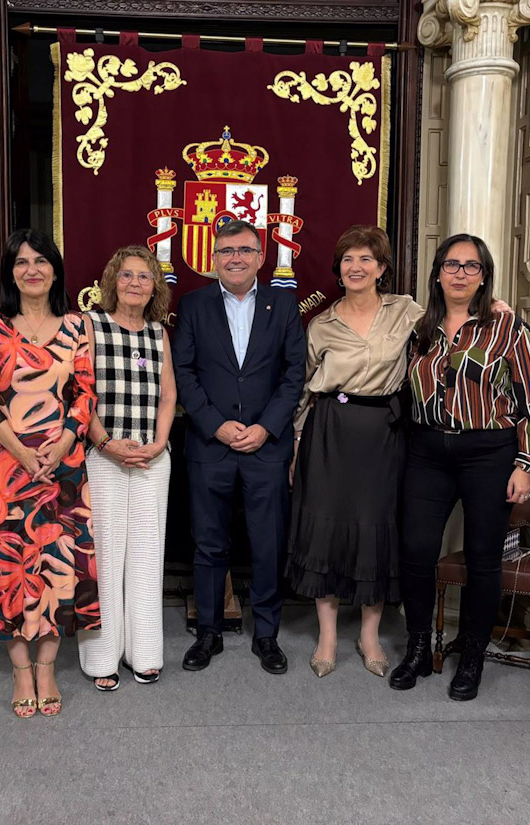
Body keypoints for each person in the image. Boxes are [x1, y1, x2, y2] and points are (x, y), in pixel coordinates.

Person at [390, 233, 530, 701]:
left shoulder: (509, 329)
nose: (459, 273)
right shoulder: (419, 329)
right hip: (427, 451)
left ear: (483, 277)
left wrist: (526, 463)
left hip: (489, 453)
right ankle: (418, 647)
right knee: (416, 552)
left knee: (483, 557)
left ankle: (473, 655)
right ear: (437, 273)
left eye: (470, 266)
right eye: (451, 265)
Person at [0, 228, 100, 717]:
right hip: (6, 470)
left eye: (41, 260)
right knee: (9, 572)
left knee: (57, 568)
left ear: (54, 269)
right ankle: (20, 670)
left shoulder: (77, 326)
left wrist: (64, 441)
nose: (31, 269)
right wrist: (23, 455)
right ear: (10, 272)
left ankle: (48, 667)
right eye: (21, 262)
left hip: (63, 469)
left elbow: (84, 395)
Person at [286, 226, 421, 678]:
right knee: (324, 527)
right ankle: (327, 636)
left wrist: (494, 308)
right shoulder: (321, 324)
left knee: (374, 529)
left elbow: (455, 325)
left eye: (366, 259)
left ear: (381, 268)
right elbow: (305, 391)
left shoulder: (407, 312)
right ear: (338, 269)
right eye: (348, 259)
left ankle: (369, 634)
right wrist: (297, 443)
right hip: (329, 431)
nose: (356, 267)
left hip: (383, 432)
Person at [172, 219, 306, 674]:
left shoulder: (284, 306)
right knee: (209, 544)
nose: (235, 258)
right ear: (213, 257)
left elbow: (293, 376)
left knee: (267, 544)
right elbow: (183, 374)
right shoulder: (192, 306)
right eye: (226, 250)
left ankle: (266, 635)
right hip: (211, 446)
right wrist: (216, 424)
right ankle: (208, 632)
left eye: (245, 250)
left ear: (260, 257)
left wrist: (266, 428)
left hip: (266, 448)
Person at [78, 245, 176, 690]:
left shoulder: (158, 333)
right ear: (112, 282)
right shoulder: (92, 325)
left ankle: (144, 652)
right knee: (106, 556)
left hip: (153, 459)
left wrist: (157, 444)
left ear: (154, 285)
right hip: (103, 456)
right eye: (126, 275)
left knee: (146, 555)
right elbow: (80, 393)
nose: (135, 283)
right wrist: (105, 442)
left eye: (144, 276)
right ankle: (102, 658)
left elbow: (169, 395)